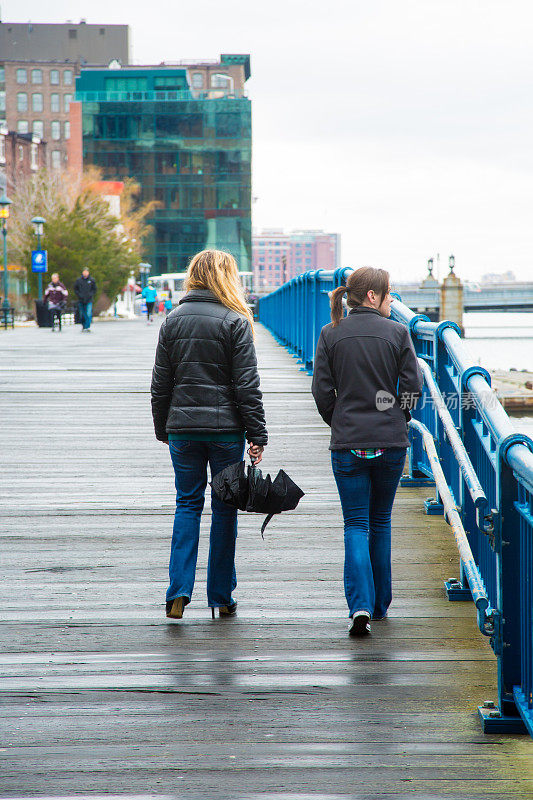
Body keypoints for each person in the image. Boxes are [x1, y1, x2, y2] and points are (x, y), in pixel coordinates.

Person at [151, 249, 268, 621]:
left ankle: (178, 591)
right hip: (225, 433)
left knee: (187, 504)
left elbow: (160, 384)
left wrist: (164, 428)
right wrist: (257, 434)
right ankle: (220, 596)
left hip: (182, 430)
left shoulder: (173, 319)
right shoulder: (235, 320)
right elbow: (247, 385)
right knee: (224, 508)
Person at [312, 267, 422, 638]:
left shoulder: (331, 333)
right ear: (373, 296)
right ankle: (380, 604)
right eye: (390, 294)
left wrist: (339, 420)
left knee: (355, 524)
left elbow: (321, 392)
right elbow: (411, 390)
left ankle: (359, 606)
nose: (393, 300)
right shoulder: (398, 332)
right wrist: (397, 416)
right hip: (390, 442)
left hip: (348, 442)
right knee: (381, 521)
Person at [74, 268, 97, 333]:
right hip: (81, 300)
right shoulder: (79, 280)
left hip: (89, 300)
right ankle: (83, 326)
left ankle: (87, 326)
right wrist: (79, 295)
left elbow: (94, 289)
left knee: (88, 313)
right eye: (84, 272)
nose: (85, 273)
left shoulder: (92, 280)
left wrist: (90, 295)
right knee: (82, 314)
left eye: (86, 272)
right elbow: (76, 289)